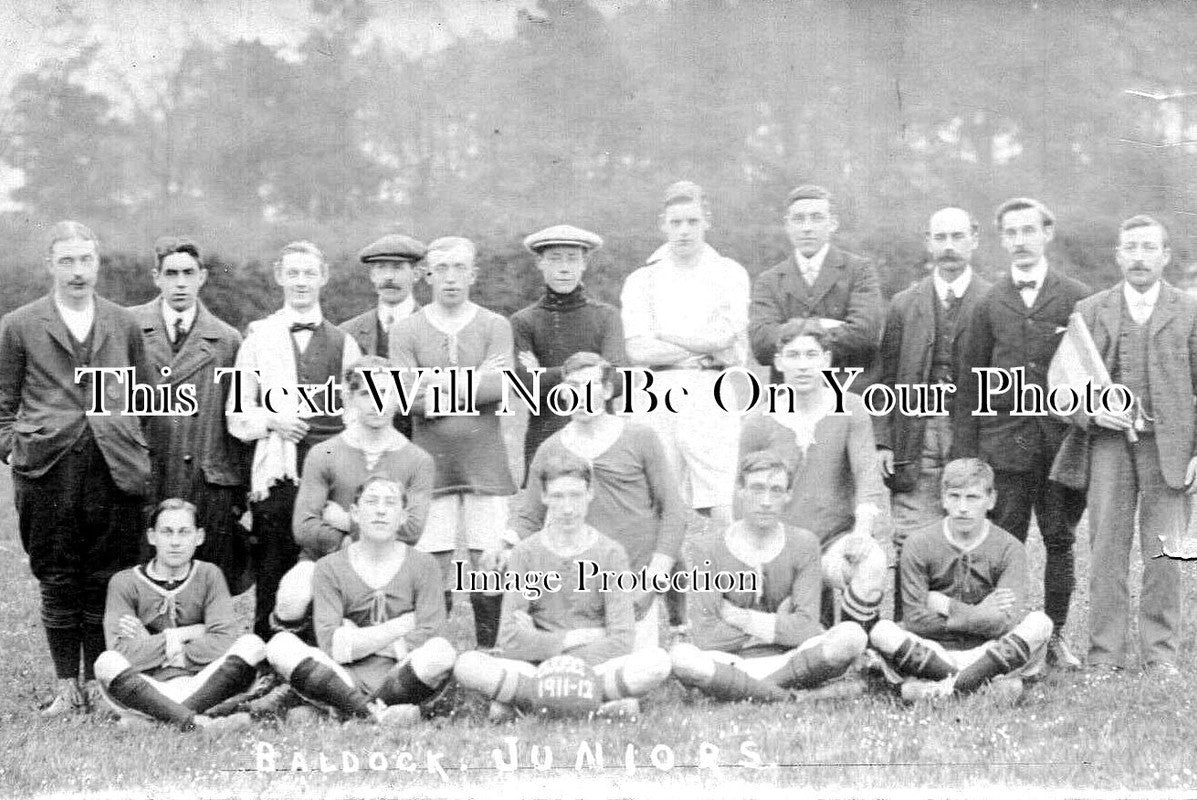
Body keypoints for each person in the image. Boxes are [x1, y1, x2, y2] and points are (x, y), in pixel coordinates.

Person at [0, 220, 153, 715]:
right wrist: (17, 449)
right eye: (66, 261)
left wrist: (132, 447)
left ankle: (101, 683)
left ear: (97, 263)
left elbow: (146, 396)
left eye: (85, 260)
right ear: (50, 265)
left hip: (113, 468)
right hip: (48, 471)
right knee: (58, 575)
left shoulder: (123, 323)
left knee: (106, 577)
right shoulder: (19, 325)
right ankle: (68, 684)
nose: (77, 271)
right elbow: (3, 403)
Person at [952, 197, 1090, 669]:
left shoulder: (1076, 296)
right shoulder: (989, 303)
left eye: (1028, 230)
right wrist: (966, 454)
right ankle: (1001, 634)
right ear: (1001, 239)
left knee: (1059, 539)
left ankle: (1054, 635)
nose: (1020, 241)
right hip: (1004, 447)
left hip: (1061, 449)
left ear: (1047, 233)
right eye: (1010, 233)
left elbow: (1093, 374)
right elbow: (969, 383)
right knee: (1003, 541)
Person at [1064, 215, 1197, 676]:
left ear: (1165, 256)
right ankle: (1105, 654)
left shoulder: (1190, 311)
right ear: (1118, 256)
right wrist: (1091, 410)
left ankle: (1160, 654)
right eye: (1130, 248)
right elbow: (1062, 388)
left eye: (1148, 248)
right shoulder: (1090, 309)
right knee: (1106, 550)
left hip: (1171, 448)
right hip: (1109, 447)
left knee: (1164, 554)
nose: (1139, 257)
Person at [453, 452, 671, 720]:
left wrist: (548, 649)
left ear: (590, 493)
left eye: (575, 495)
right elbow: (508, 640)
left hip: (586, 665)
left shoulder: (610, 553)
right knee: (468, 665)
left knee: (655, 662)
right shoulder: (525, 553)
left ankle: (532, 702)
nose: (567, 508)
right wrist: (575, 638)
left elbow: (622, 640)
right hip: (539, 667)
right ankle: (598, 705)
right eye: (557, 496)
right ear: (544, 497)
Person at [226, 240, 362, 639]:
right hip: (279, 474)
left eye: (309, 273)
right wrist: (273, 421)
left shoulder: (344, 342)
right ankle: (266, 665)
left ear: (323, 278)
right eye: (293, 273)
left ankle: (319, 665)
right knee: (274, 569)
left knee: (328, 569)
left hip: (330, 478)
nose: (301, 282)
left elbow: (357, 410)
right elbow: (238, 412)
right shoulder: (258, 339)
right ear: (279, 276)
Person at [508, 351, 685, 650]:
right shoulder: (551, 447)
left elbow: (673, 512)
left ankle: (678, 630)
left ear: (606, 390)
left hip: (634, 579)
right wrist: (505, 547)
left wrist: (653, 579)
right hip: (579, 585)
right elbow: (528, 516)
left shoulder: (639, 437)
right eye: (572, 387)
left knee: (636, 670)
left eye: (589, 387)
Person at [388, 236, 515, 649]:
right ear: (427, 275)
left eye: (459, 268)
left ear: (473, 274)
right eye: (441, 268)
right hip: (431, 463)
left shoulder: (495, 325)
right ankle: (432, 656)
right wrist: (470, 384)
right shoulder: (407, 330)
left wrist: (435, 384)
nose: (450, 278)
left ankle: (489, 650)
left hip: (485, 460)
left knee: (489, 558)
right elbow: (408, 397)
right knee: (432, 559)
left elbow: (500, 387)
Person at [669, 452, 868, 702]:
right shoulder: (706, 548)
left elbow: (805, 630)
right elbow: (707, 635)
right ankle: (791, 697)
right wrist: (779, 623)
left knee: (852, 636)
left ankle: (743, 690)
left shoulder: (805, 543)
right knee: (683, 658)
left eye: (776, 490)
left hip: (790, 657)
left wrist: (739, 617)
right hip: (730, 661)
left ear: (788, 495)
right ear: (739, 490)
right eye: (757, 489)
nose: (766, 501)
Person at [265, 477, 456, 725]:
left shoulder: (424, 564)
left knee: (441, 652)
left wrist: (354, 639)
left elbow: (432, 634)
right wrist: (403, 625)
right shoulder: (328, 567)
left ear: (403, 517)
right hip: (343, 676)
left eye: (390, 503)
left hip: (402, 673)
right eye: (371, 501)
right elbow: (332, 645)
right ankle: (374, 713)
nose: (380, 510)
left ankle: (349, 710)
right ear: (354, 513)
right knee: (280, 645)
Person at [875, 208, 991, 619]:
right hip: (914, 432)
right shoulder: (904, 305)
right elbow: (884, 378)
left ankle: (967, 631)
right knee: (911, 535)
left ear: (974, 239)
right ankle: (906, 633)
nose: (949, 247)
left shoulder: (992, 301)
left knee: (968, 529)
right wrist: (885, 440)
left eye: (957, 237)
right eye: (940, 237)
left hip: (970, 434)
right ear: (928, 241)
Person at [740, 319, 888, 630]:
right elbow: (742, 493)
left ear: (827, 360)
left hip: (834, 541)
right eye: (793, 356)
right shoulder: (759, 420)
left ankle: (859, 644)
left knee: (871, 562)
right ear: (779, 362)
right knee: (797, 639)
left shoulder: (850, 408)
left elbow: (866, 474)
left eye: (811, 355)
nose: (803, 365)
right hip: (780, 547)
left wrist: (862, 530)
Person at [272, 355, 434, 637]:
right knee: (292, 593)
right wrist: (352, 541)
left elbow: (410, 531)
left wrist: (348, 522)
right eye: (365, 393)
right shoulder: (324, 453)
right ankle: (288, 667)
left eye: (385, 393)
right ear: (349, 397)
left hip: (388, 559)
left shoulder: (417, 460)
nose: (377, 403)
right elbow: (305, 527)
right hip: (324, 557)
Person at [620, 180, 750, 528]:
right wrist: (698, 347)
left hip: (712, 391)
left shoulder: (730, 273)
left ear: (707, 221)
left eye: (692, 221)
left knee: (723, 499)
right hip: (654, 393)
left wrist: (667, 338)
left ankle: (737, 578)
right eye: (675, 223)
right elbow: (637, 349)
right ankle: (659, 580)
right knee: (654, 500)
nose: (684, 231)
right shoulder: (641, 280)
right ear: (662, 225)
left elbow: (725, 339)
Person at [868, 459, 1053, 701]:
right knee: (882, 631)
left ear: (991, 499)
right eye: (955, 497)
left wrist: (947, 606)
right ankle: (974, 685)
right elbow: (914, 620)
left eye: (972, 498)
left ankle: (940, 689)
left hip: (990, 651)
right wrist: (981, 613)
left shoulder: (1010, 548)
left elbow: (1004, 623)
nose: (962, 507)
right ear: (943, 499)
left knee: (1040, 623)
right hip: (931, 650)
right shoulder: (918, 543)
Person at [131, 235, 248, 594]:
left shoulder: (227, 340)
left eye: (188, 273)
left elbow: (237, 418)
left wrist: (238, 493)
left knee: (204, 586)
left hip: (206, 483)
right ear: (156, 277)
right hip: (148, 479)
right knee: (143, 581)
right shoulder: (128, 328)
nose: (180, 283)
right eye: (171, 273)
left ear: (203, 277)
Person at [92, 499, 265, 730]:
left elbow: (223, 641)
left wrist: (159, 642)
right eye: (167, 532)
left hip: (202, 683)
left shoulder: (209, 575)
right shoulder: (124, 582)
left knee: (251, 645)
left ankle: (162, 719)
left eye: (184, 532)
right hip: (150, 686)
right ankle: (197, 721)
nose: (175, 542)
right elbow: (122, 651)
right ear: (152, 536)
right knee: (106, 662)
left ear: (199, 537)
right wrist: (188, 634)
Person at [510, 225, 624, 475]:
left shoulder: (606, 317)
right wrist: (591, 375)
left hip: (601, 438)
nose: (564, 267)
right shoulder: (524, 321)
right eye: (554, 259)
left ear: (584, 263)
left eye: (572, 258)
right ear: (540, 263)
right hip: (546, 437)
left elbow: (617, 381)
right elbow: (525, 387)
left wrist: (546, 374)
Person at [749, 184, 885, 384]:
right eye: (799, 219)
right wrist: (826, 326)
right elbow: (761, 346)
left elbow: (865, 335)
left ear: (833, 223)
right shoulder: (769, 280)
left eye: (816, 218)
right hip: (791, 398)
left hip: (847, 393)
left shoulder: (859, 270)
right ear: (787, 225)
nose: (807, 228)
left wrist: (791, 333)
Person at [340, 233, 425, 439]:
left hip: (420, 441)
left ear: (416, 274)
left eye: (397, 268)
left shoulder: (434, 329)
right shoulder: (347, 333)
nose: (389, 277)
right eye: (381, 268)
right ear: (372, 276)